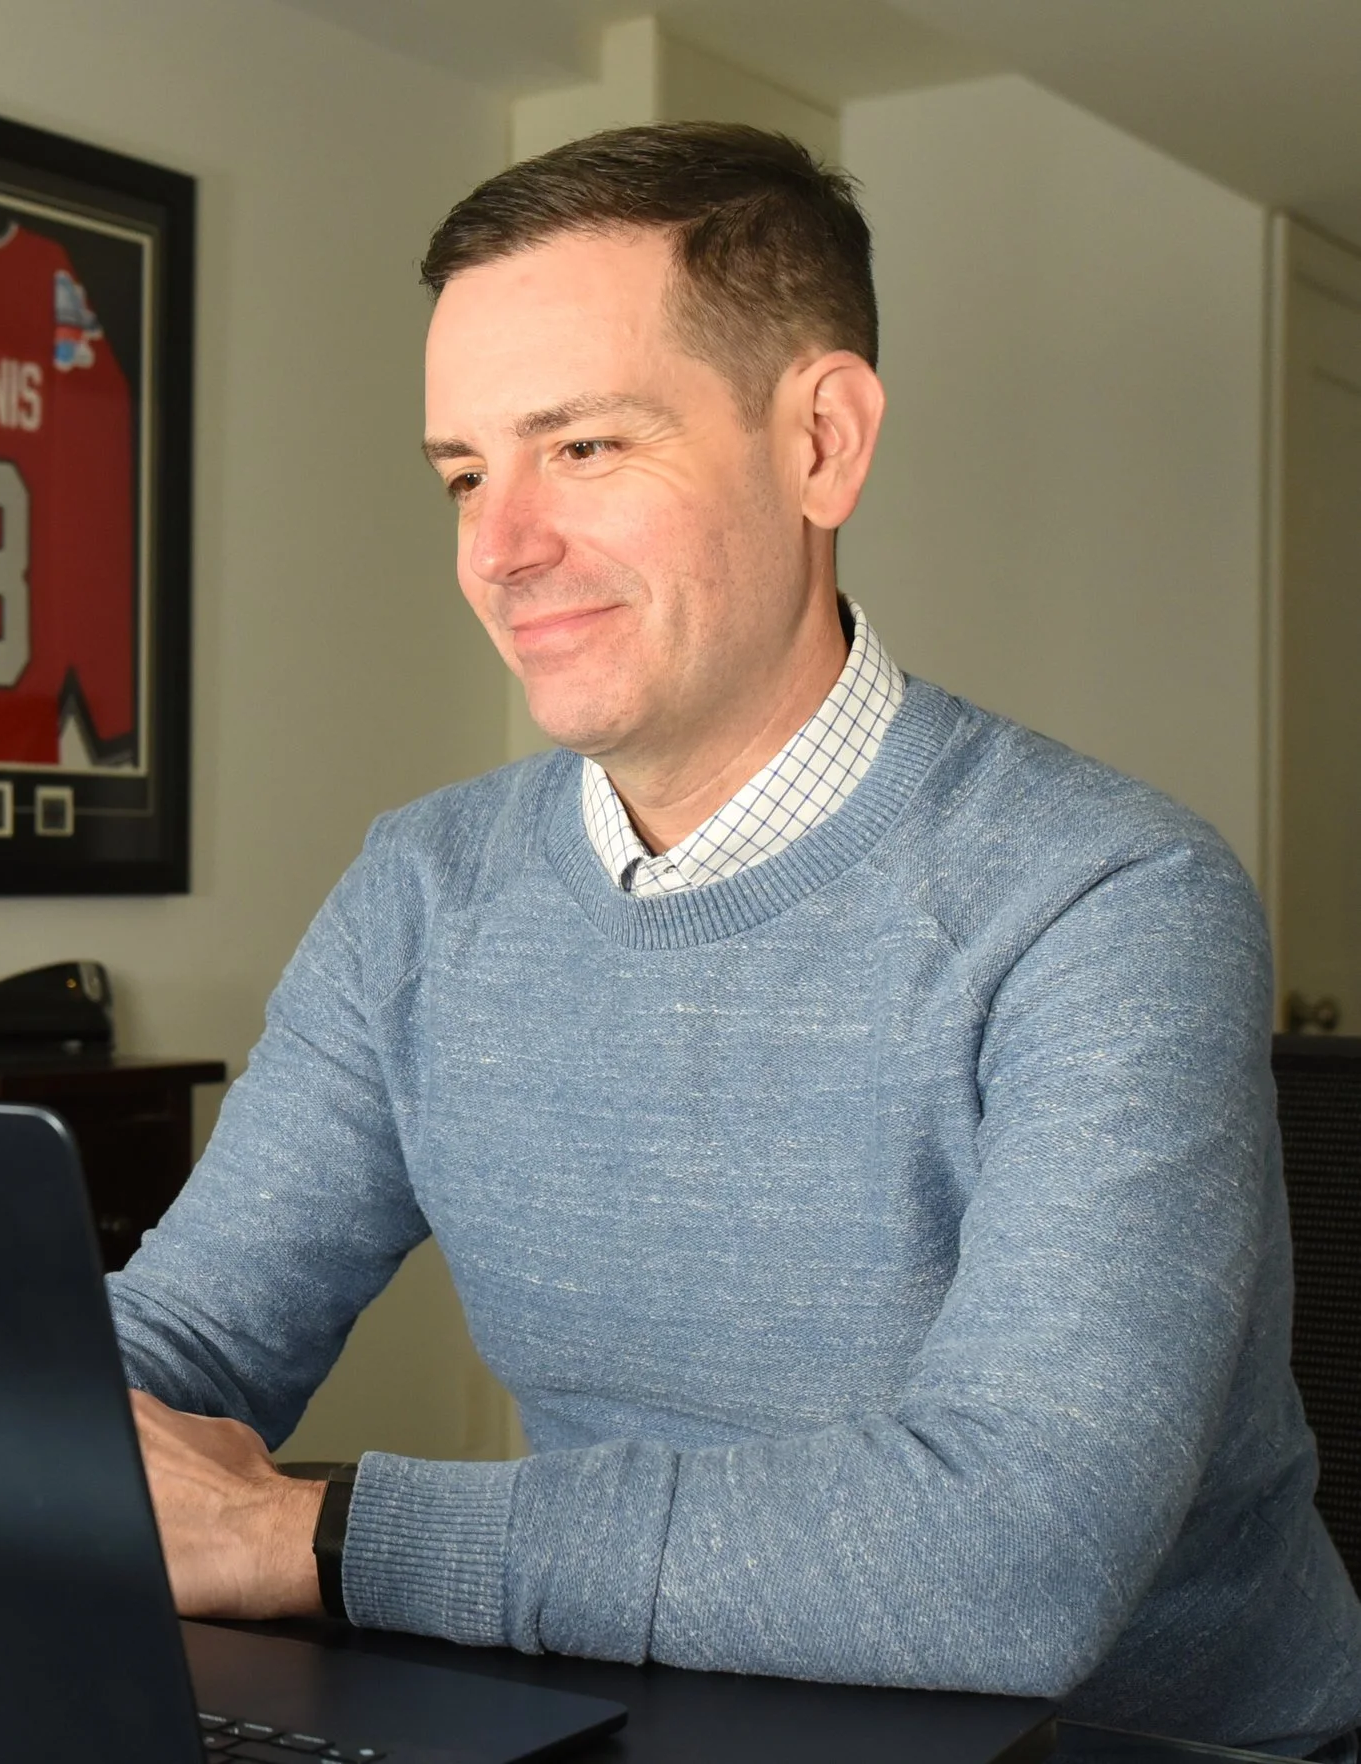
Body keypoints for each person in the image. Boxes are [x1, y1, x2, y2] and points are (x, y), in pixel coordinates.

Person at [106, 123, 1361, 1757]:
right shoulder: (422, 890)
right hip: (646, 1718)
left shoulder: (1108, 897)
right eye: (467, 472)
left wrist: (312, 1535)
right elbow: (186, 1349)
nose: (500, 549)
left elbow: (1009, 1558)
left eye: (586, 448)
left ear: (823, 444)